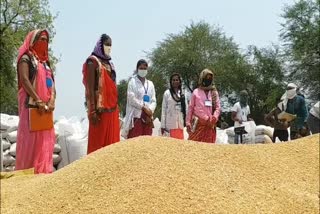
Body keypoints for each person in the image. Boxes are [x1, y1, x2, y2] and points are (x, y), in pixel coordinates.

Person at [15, 29, 56, 174]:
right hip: (31, 109)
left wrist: (51, 100)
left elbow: (52, 84)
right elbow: (25, 81)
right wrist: (38, 100)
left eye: (46, 40)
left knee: (44, 145)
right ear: (33, 41)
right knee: (30, 145)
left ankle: (43, 177)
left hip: (45, 111)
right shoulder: (26, 59)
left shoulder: (46, 64)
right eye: (41, 39)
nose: (44, 43)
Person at [82, 34, 120, 154]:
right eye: (106, 44)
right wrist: (92, 110)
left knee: (112, 146)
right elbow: (89, 88)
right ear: (100, 45)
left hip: (112, 109)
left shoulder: (110, 63)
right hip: (99, 111)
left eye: (110, 45)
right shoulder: (92, 62)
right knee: (97, 146)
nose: (109, 47)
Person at [121, 59, 156, 139]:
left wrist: (150, 111)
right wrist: (143, 107)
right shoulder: (132, 82)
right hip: (136, 116)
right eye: (141, 68)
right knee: (135, 141)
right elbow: (131, 98)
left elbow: (153, 100)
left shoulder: (150, 84)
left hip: (148, 118)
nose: (143, 70)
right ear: (137, 69)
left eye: (145, 68)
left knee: (147, 141)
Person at [186, 69, 221, 143]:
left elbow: (218, 107)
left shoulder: (214, 92)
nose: (208, 80)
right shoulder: (196, 92)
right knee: (195, 147)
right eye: (206, 77)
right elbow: (191, 108)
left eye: (210, 78)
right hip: (198, 124)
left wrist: (214, 117)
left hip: (210, 125)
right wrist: (188, 122)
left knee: (208, 149)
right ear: (202, 78)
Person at [160, 73, 187, 139]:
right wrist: (162, 125)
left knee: (179, 144)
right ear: (171, 82)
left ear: (180, 81)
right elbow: (163, 110)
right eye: (173, 80)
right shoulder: (167, 93)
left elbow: (186, 109)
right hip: (170, 124)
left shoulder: (182, 94)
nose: (175, 81)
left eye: (177, 80)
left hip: (180, 123)